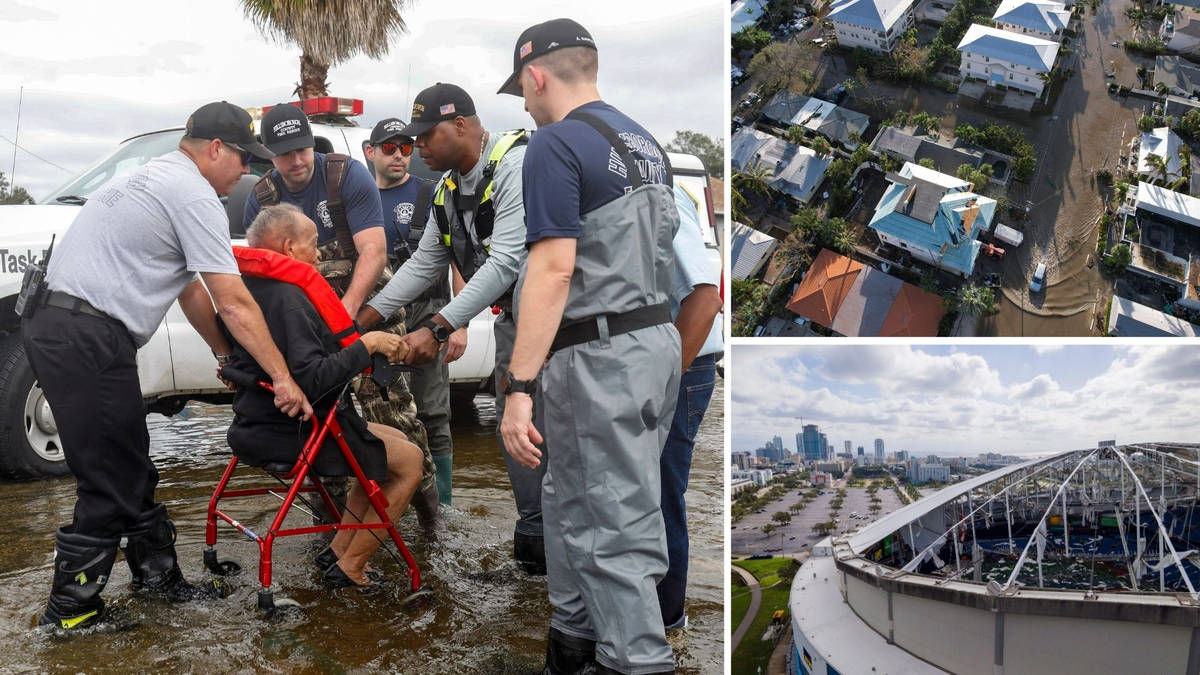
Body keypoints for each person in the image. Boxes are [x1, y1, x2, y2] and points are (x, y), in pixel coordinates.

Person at [22, 101, 312, 630]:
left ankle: (160, 581)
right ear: (215, 148)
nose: (247, 172)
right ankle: (69, 615)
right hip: (84, 335)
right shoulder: (194, 194)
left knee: (128, 460)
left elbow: (188, 289)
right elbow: (233, 301)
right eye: (244, 159)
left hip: (65, 328)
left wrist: (224, 354)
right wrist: (284, 378)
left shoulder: (152, 177)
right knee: (107, 477)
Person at [496, 19, 681, 675]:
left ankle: (637, 659)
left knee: (614, 526)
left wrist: (517, 388)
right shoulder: (645, 141)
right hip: (653, 344)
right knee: (577, 501)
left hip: (598, 352)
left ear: (536, 76)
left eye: (521, 90)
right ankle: (573, 647)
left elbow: (553, 270)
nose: (523, 104)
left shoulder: (553, 144)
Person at [357, 84, 548, 574]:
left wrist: (440, 329)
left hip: (559, 325)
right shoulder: (445, 191)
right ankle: (533, 551)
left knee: (557, 436)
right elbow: (423, 265)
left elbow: (507, 260)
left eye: (425, 137)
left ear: (461, 125)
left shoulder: (515, 166)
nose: (417, 148)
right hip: (514, 326)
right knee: (516, 431)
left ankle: (561, 549)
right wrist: (362, 319)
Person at [243, 105, 440, 526]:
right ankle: (331, 526)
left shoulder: (346, 174)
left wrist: (347, 317)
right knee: (321, 416)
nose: (296, 161)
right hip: (303, 320)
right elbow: (257, 280)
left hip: (363, 308)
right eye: (284, 154)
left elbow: (374, 250)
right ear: (268, 153)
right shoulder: (261, 198)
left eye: (301, 149)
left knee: (394, 413)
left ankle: (430, 517)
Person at [226, 204, 424, 587]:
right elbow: (314, 379)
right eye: (313, 244)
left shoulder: (244, 288)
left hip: (255, 422)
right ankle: (352, 569)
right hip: (296, 432)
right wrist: (367, 345)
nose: (319, 255)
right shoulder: (289, 297)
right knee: (410, 462)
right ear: (288, 248)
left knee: (394, 440)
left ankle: (338, 552)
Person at [363, 118, 462, 506]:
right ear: (370, 152)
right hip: (378, 315)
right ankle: (392, 498)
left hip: (428, 312)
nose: (400, 155)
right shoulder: (359, 198)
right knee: (381, 412)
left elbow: (457, 259)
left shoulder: (430, 193)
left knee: (434, 412)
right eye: (390, 148)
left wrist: (457, 323)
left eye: (406, 147)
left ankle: (442, 511)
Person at [657, 183, 723, 632]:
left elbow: (706, 298)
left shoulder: (658, 192)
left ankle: (667, 618)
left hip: (685, 361)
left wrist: (664, 381)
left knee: (663, 495)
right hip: (669, 358)